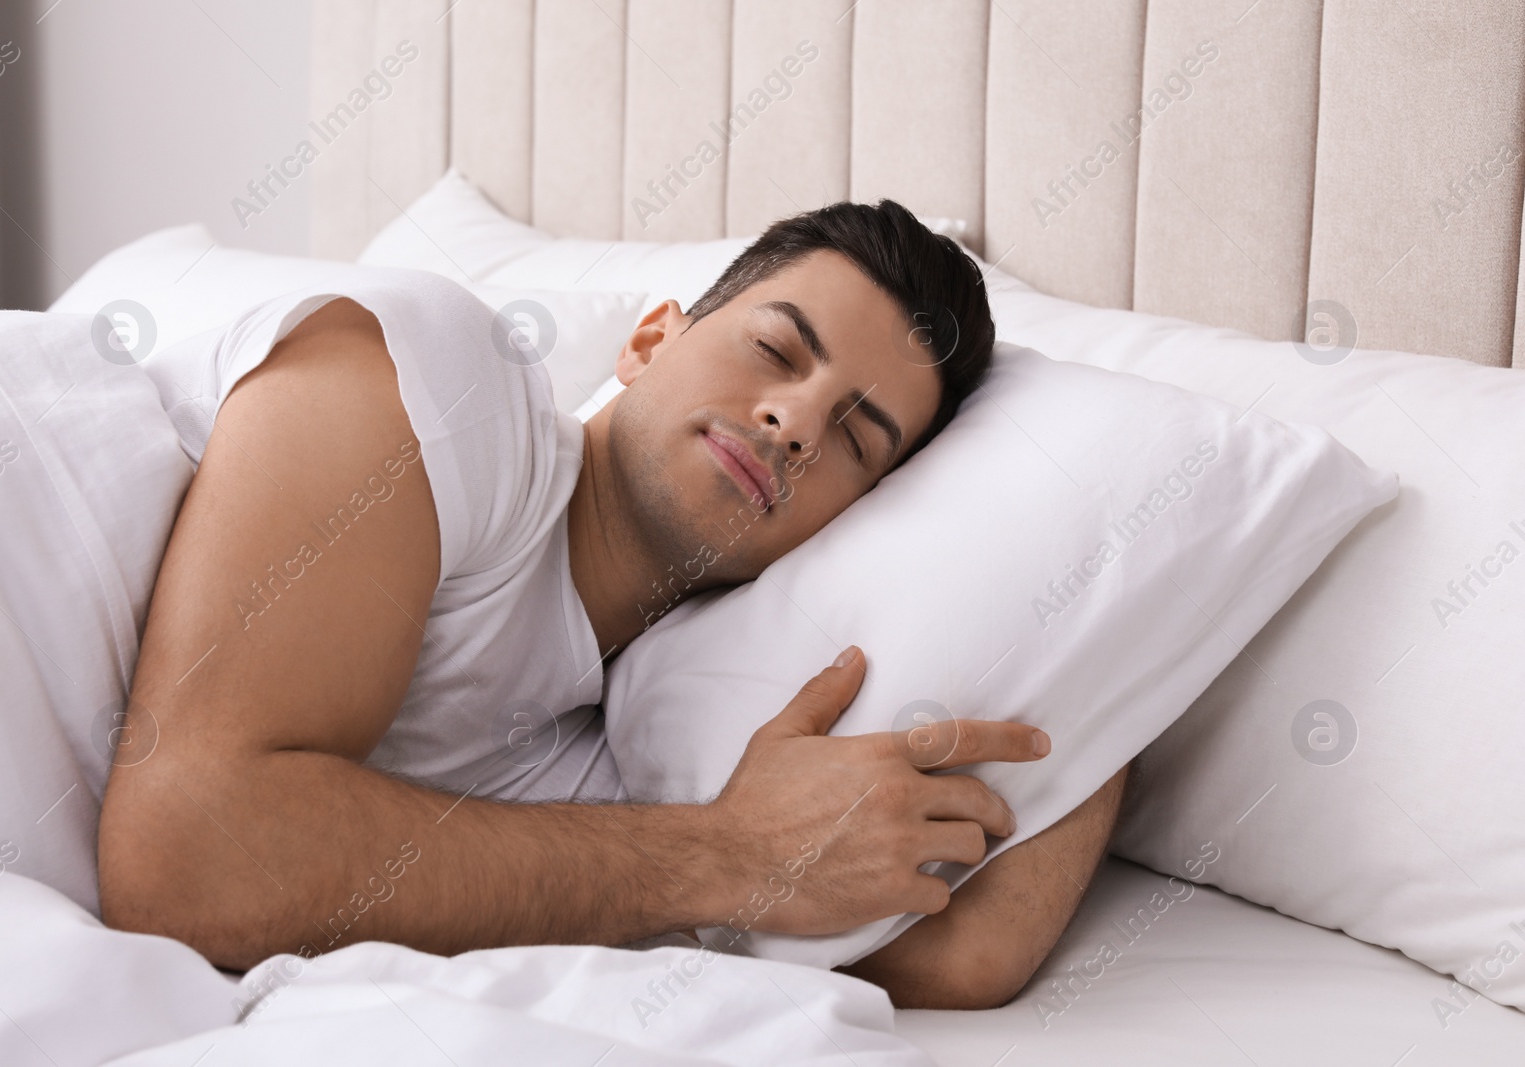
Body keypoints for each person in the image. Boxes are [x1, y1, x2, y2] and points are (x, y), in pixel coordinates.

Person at [97, 199, 1128, 1010]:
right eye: (775, 351)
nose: (794, 419)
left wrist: (1123, 621)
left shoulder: (608, 759)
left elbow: (962, 956)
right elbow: (185, 854)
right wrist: (728, 851)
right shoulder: (451, 382)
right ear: (646, 342)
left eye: (856, 442)